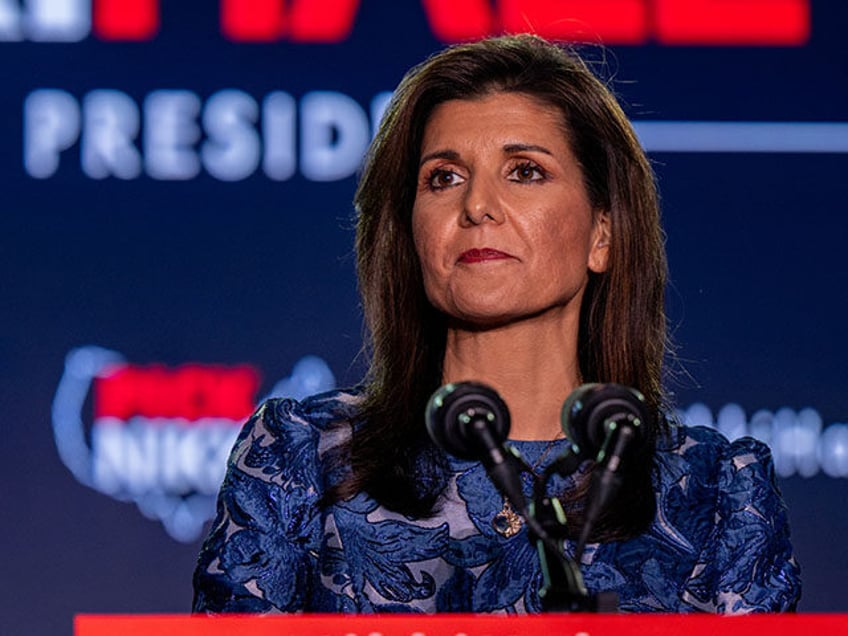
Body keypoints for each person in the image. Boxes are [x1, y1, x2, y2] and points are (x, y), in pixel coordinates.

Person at [192, 34, 800, 613]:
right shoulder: (302, 458)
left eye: (525, 171)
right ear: (410, 234)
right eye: (444, 178)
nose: (476, 205)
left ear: (602, 234)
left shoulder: (716, 489)